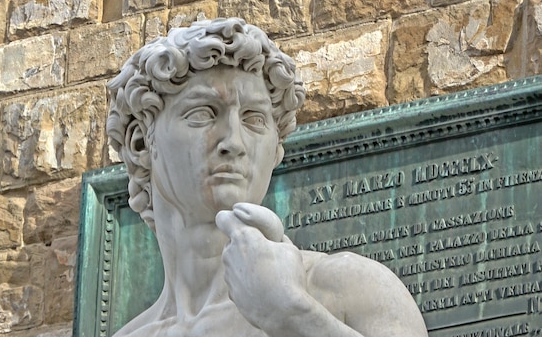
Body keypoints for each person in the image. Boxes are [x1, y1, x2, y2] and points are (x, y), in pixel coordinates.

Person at [106, 17, 428, 337]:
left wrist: (289, 313)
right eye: (203, 113)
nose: (233, 142)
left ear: (275, 150)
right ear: (139, 143)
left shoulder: (347, 289)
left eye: (254, 119)